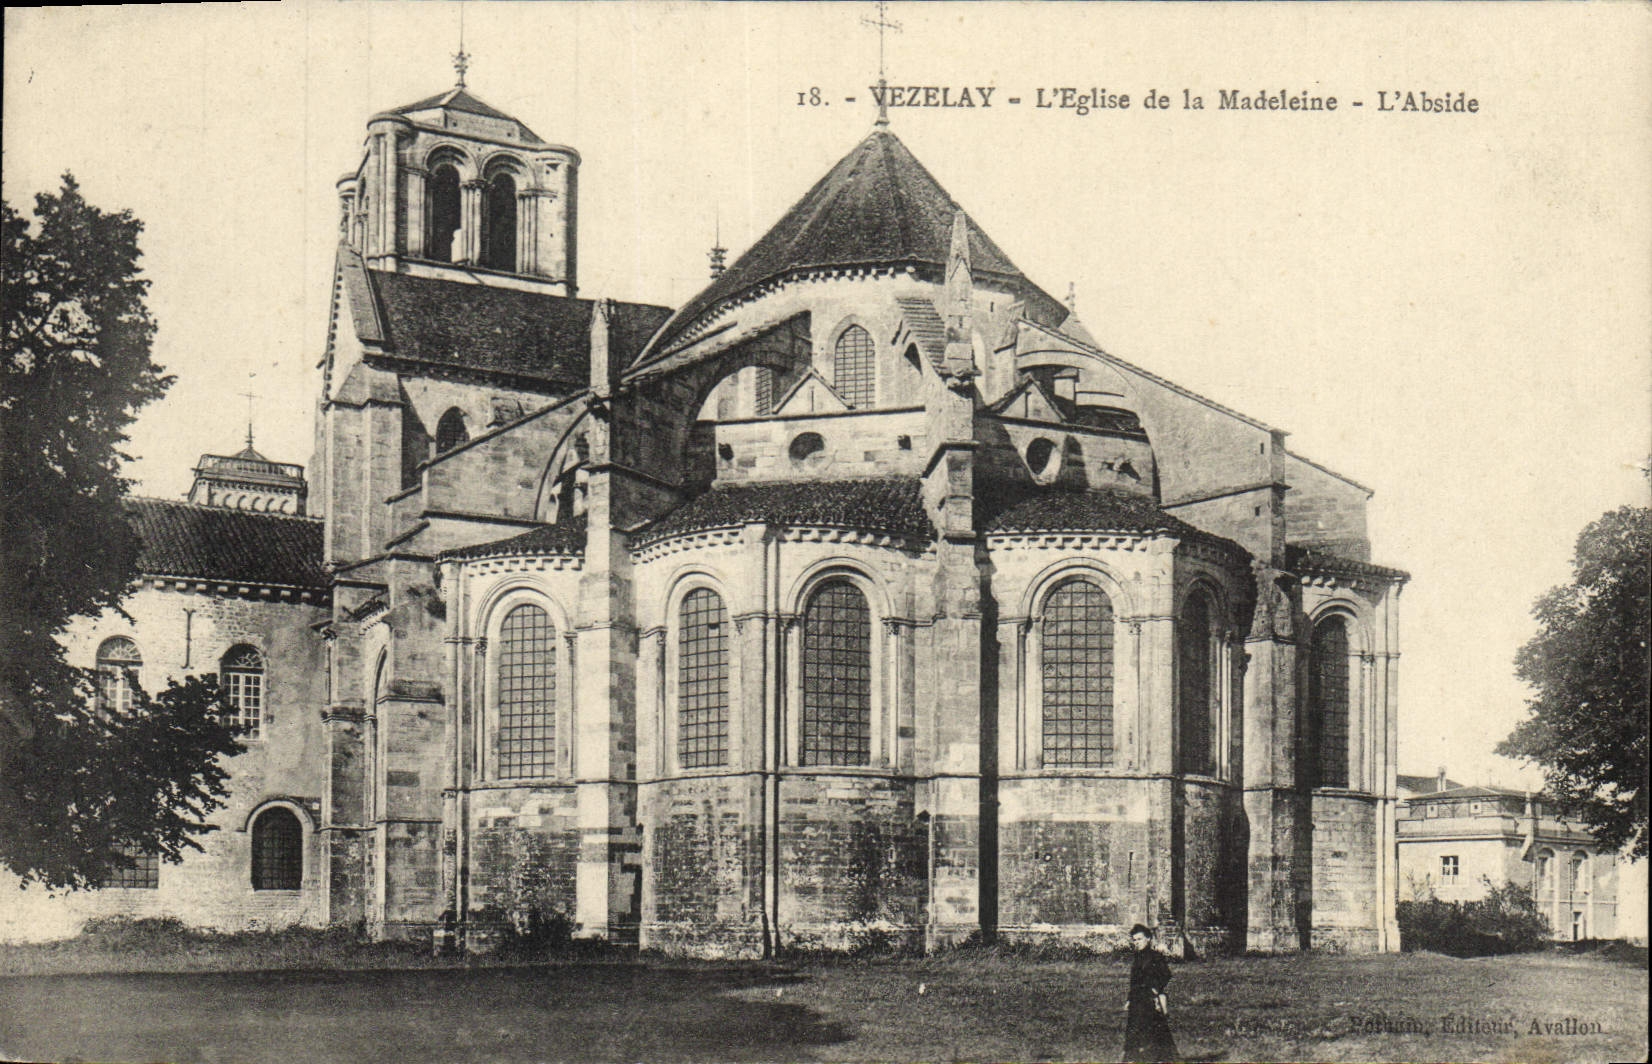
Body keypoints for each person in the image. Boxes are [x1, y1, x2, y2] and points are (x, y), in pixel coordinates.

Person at [1121, 923, 1178, 1063]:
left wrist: (1156, 989)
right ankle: (1133, 1058)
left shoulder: (1155, 956)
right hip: (1137, 999)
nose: (1136, 943)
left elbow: (1166, 974)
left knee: (1154, 1029)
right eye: (1134, 940)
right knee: (1134, 1029)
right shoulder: (1137, 958)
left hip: (1150, 999)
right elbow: (1134, 981)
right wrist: (1129, 999)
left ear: (1148, 939)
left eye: (1139, 939)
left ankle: (1160, 1058)